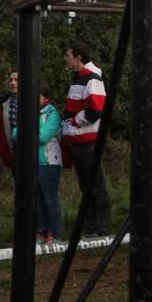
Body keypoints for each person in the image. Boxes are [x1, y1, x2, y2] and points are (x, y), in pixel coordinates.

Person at [61, 42, 110, 237]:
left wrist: (73, 121)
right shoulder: (79, 79)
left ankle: (101, 229)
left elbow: (96, 110)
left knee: (97, 185)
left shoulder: (93, 79)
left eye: (68, 55)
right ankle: (90, 228)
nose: (66, 58)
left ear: (78, 57)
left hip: (89, 142)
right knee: (86, 187)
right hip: (77, 141)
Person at [15, 85, 63, 243]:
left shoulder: (52, 114)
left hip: (49, 162)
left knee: (50, 199)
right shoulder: (29, 114)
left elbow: (42, 137)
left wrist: (26, 132)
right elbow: (16, 134)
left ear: (45, 97)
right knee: (39, 200)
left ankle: (55, 234)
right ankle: (42, 232)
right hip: (33, 162)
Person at [0, 69, 19, 174]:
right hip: (13, 152)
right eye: (11, 80)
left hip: (34, 152)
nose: (13, 83)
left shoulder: (34, 101)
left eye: (16, 80)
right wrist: (3, 150)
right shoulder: (3, 104)